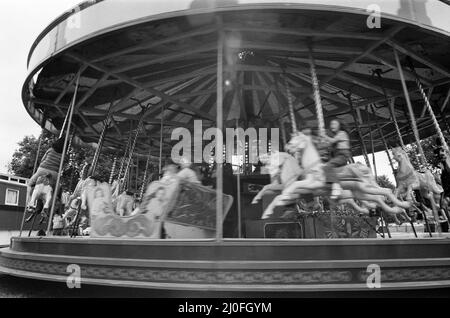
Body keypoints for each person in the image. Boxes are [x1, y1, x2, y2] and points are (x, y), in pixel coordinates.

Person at [26, 138, 65, 203]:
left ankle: (29, 200)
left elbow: (42, 159)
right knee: (56, 188)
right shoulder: (63, 155)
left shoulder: (50, 150)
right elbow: (61, 166)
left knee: (30, 184)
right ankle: (53, 201)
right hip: (54, 173)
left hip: (42, 169)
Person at [322, 119, 352, 199]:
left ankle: (336, 187)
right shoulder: (337, 135)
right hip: (338, 155)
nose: (332, 126)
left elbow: (332, 141)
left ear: (339, 125)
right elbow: (330, 145)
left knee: (328, 166)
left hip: (342, 155)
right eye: (331, 124)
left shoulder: (342, 133)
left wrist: (324, 135)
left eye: (334, 124)